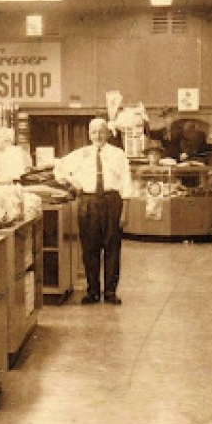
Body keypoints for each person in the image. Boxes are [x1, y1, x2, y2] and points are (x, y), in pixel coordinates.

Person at [54, 117, 131, 305]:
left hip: (112, 201)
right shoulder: (81, 154)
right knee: (89, 248)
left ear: (108, 133)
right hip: (88, 203)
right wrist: (74, 184)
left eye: (102, 131)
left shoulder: (118, 154)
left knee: (112, 248)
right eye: (94, 132)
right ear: (89, 134)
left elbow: (126, 182)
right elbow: (59, 168)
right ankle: (93, 291)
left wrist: (125, 212)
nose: (98, 135)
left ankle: (110, 292)